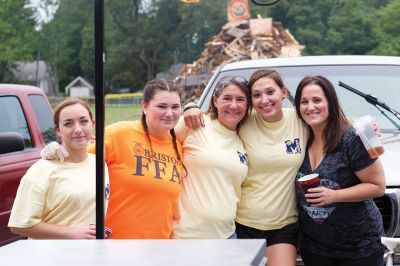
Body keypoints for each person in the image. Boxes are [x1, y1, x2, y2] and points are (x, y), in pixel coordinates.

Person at [184, 69, 309, 266]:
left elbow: (330, 119)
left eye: (270, 92)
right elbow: (206, 118)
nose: (264, 100)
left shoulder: (301, 120)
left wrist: (361, 127)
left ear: (283, 92)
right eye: (257, 95)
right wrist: (190, 107)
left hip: (284, 224)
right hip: (241, 224)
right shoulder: (242, 120)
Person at [41, 79, 185, 239]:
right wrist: (56, 149)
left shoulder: (178, 147)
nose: (169, 113)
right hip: (115, 247)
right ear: (144, 107)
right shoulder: (119, 134)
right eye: (162, 106)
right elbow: (74, 159)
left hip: (159, 248)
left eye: (175, 107)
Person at [294, 75, 385, 266]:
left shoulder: (351, 139)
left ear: (330, 102)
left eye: (317, 100)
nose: (310, 107)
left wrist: (334, 196)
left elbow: (378, 186)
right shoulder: (298, 138)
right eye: (304, 102)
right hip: (314, 248)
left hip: (358, 248)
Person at [8, 98, 110, 239]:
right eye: (68, 124)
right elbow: (19, 224)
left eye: (84, 121)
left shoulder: (99, 163)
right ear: (58, 131)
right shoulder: (41, 170)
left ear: (92, 124)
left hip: (91, 257)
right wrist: (72, 233)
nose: (78, 129)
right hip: (53, 258)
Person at [172, 76, 251, 239]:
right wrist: (188, 107)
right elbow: (156, 137)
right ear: (215, 100)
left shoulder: (245, 137)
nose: (234, 105)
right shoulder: (195, 124)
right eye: (227, 98)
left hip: (227, 236)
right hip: (186, 237)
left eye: (241, 99)